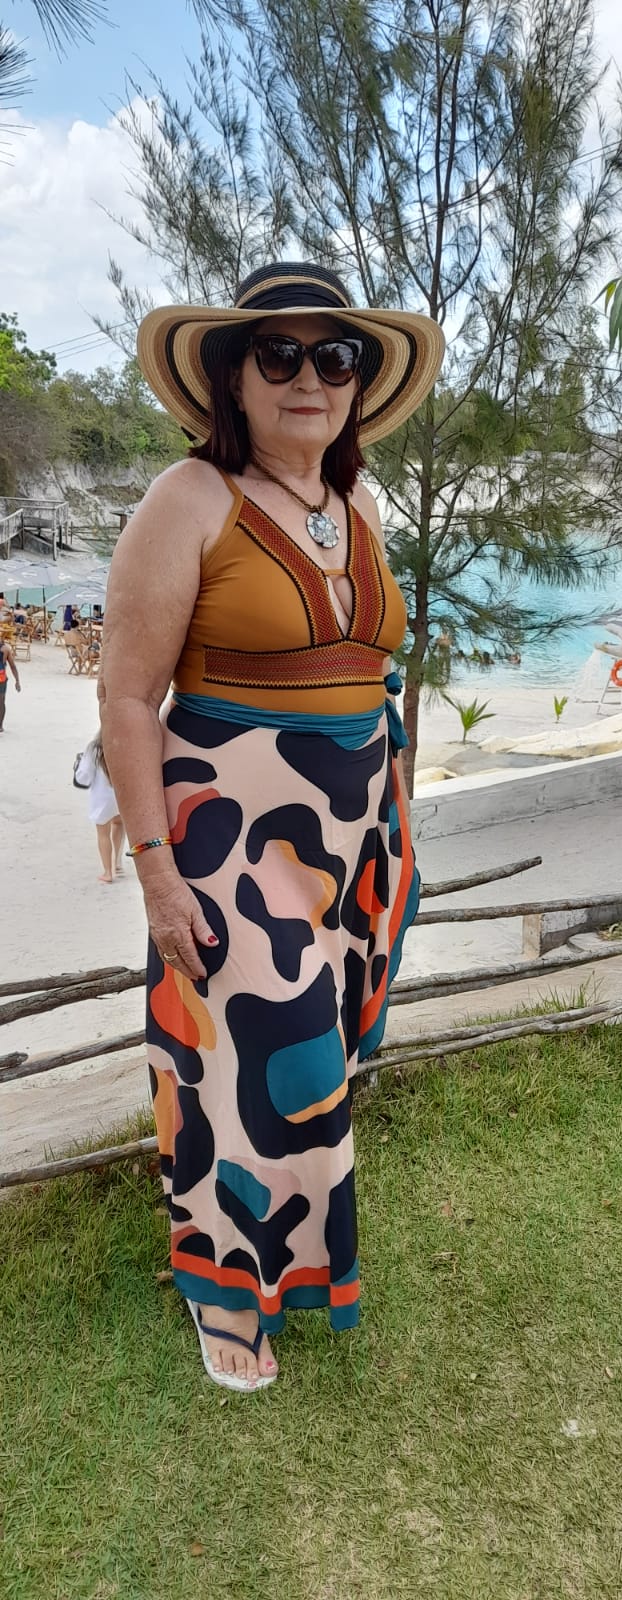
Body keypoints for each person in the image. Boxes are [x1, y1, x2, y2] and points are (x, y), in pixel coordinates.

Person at [99, 261, 444, 1394]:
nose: (310, 377)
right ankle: (223, 1292)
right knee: (238, 1067)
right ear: (232, 377)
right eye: (279, 353)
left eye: (333, 356)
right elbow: (126, 700)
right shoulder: (190, 499)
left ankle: (289, 1266)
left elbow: (376, 678)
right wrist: (157, 873)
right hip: (230, 846)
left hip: (347, 847)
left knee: (309, 1065)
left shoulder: (361, 507)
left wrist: (396, 816)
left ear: (358, 381)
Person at [73, 732, 126, 881]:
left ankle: (108, 872)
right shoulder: (126, 743)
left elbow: (84, 777)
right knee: (119, 824)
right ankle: (117, 863)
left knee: (103, 834)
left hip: (102, 799)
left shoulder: (94, 748)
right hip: (122, 795)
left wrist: (77, 766)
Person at [0, 638, 20, 730]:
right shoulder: (6, 649)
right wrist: (17, 681)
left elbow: (13, 667)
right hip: (1, 679)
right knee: (1, 702)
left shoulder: (6, 649)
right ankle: (0, 725)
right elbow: (13, 666)